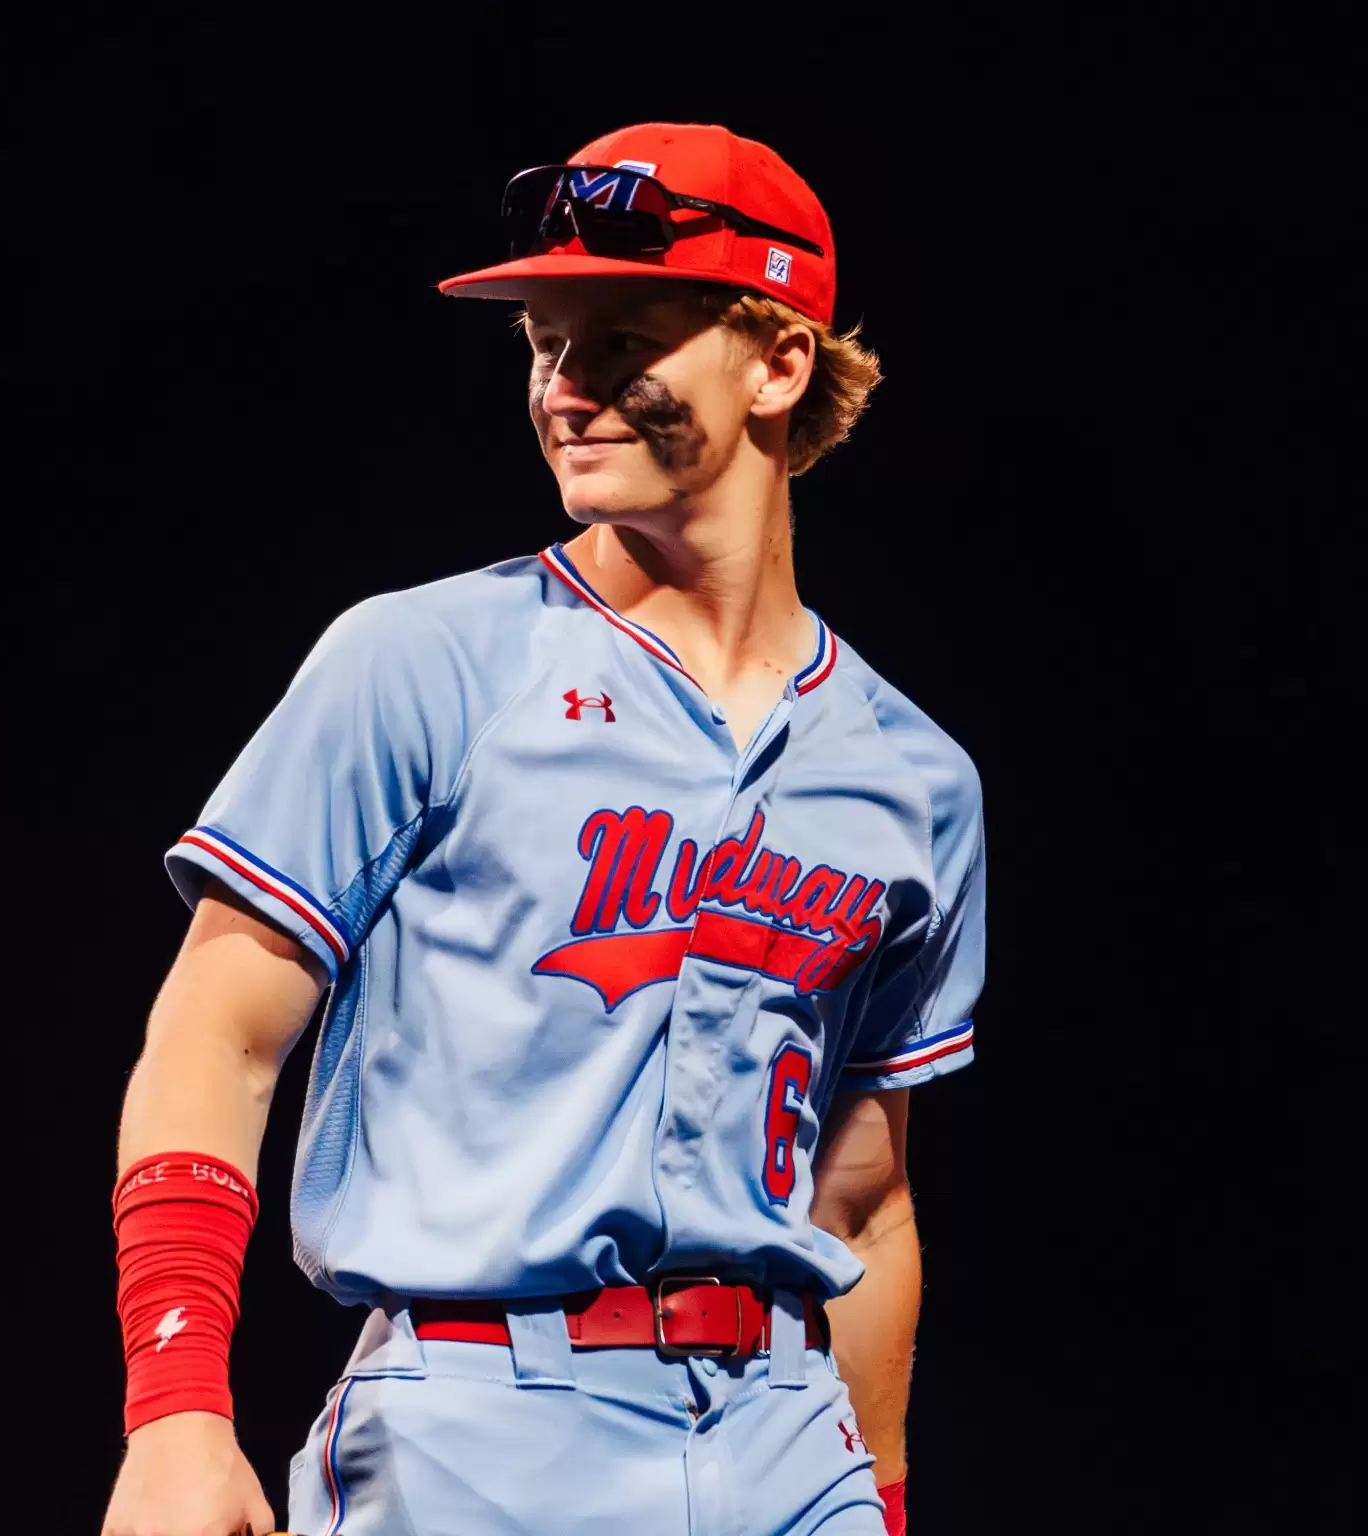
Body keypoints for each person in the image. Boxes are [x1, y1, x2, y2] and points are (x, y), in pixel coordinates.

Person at [101, 121, 985, 1536]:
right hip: (476, 1426)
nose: (565, 388)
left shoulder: (915, 775)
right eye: (544, 344)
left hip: (786, 1435)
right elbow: (218, 1036)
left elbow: (863, 1202)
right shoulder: (423, 661)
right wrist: (177, 1414)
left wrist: (880, 1499)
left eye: (620, 341)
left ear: (778, 363)